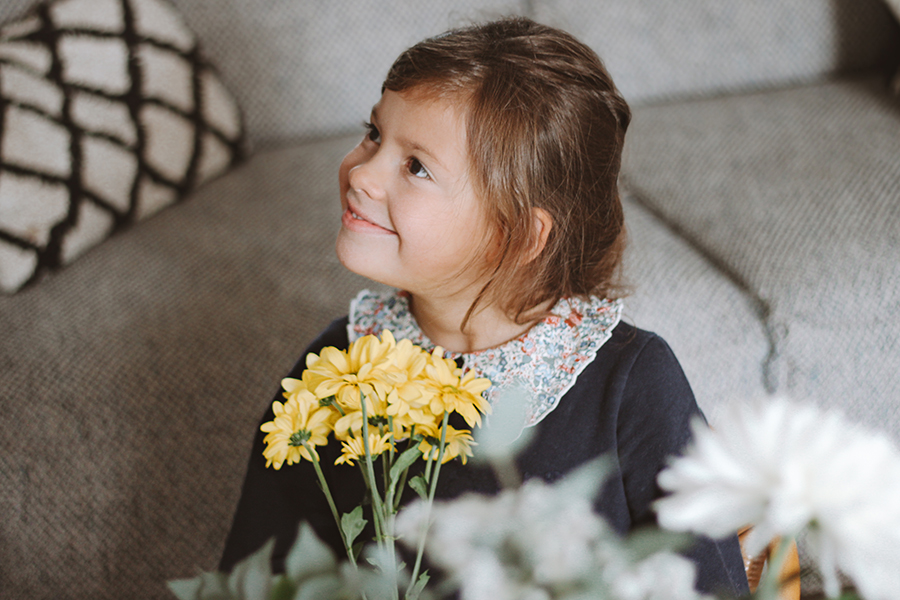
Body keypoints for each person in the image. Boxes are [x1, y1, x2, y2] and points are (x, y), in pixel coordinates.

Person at [220, 17, 749, 596]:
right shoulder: (336, 370)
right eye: (373, 133)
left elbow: (710, 583)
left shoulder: (632, 384)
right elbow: (257, 576)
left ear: (518, 236)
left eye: (416, 166)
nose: (363, 173)